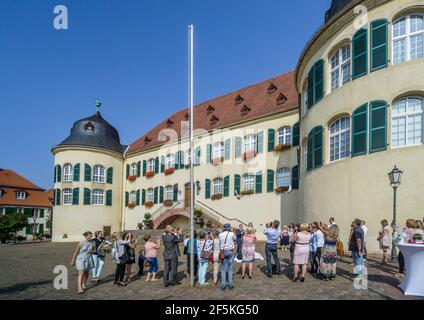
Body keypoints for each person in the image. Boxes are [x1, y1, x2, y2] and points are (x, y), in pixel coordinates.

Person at [219, 223, 236, 290]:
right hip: (230, 251)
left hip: (223, 252)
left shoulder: (220, 234)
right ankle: (230, 284)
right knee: (230, 268)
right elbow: (235, 239)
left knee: (223, 269)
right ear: (229, 228)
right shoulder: (231, 234)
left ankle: (223, 285)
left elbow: (220, 242)